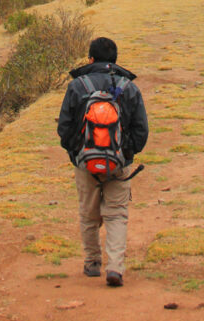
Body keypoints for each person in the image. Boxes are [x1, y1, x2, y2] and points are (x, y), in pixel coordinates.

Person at [57, 36, 148, 287]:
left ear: (90, 59)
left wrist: (77, 155)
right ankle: (116, 267)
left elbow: (64, 129)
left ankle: (92, 263)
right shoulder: (129, 87)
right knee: (117, 214)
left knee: (88, 214)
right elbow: (141, 131)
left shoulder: (78, 86)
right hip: (119, 164)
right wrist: (126, 155)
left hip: (85, 164)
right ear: (115, 60)